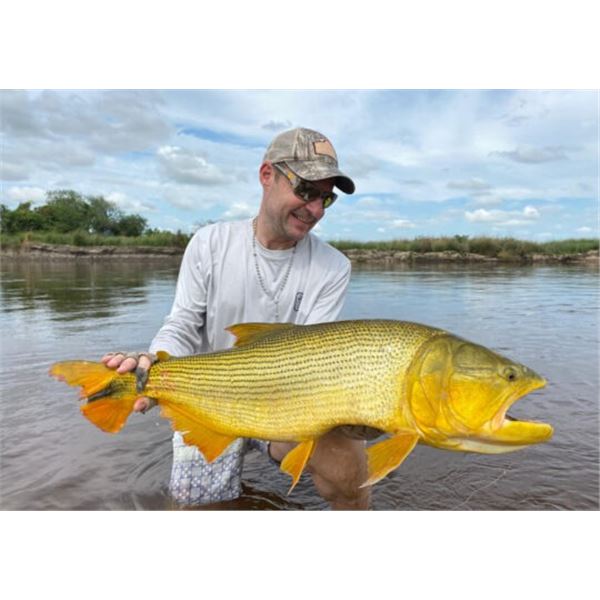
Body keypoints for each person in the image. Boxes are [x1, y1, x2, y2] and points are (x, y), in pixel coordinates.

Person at [102, 127, 370, 510]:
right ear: (267, 175)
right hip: (207, 404)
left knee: (350, 469)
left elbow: (311, 362)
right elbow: (182, 325)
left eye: (325, 198)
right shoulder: (210, 243)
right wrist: (152, 362)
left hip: (283, 407)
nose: (315, 209)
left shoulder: (334, 267)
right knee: (197, 512)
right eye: (306, 190)